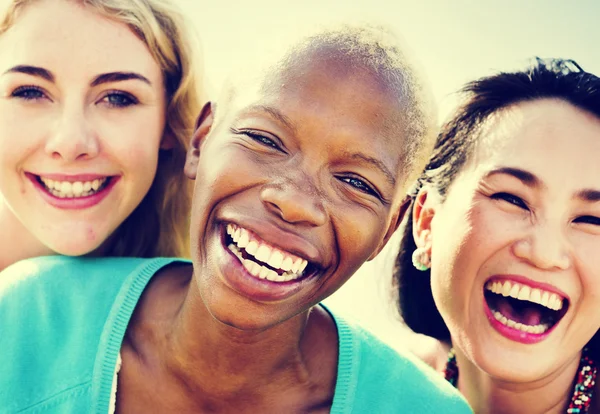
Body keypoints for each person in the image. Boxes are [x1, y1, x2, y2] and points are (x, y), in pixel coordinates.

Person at [0, 23, 473, 413]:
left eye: (356, 182)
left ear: (388, 232)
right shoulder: (25, 317)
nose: (294, 202)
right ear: (202, 142)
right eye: (265, 140)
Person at [394, 58, 600, 413]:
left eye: (591, 220)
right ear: (427, 221)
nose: (544, 253)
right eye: (512, 199)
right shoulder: (372, 391)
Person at [0, 0, 202, 271]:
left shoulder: (196, 292)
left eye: (117, 98)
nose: (71, 142)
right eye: (29, 92)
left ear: (170, 122)